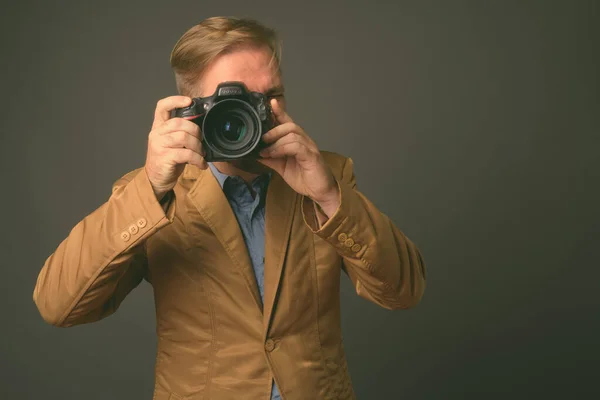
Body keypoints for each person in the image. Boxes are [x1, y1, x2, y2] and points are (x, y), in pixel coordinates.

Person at [33, 16, 427, 400]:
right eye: (234, 99)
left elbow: (404, 291)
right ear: (190, 110)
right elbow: (58, 306)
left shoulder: (329, 175)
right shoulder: (152, 194)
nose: (261, 114)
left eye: (271, 96)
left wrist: (329, 197)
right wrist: (151, 188)